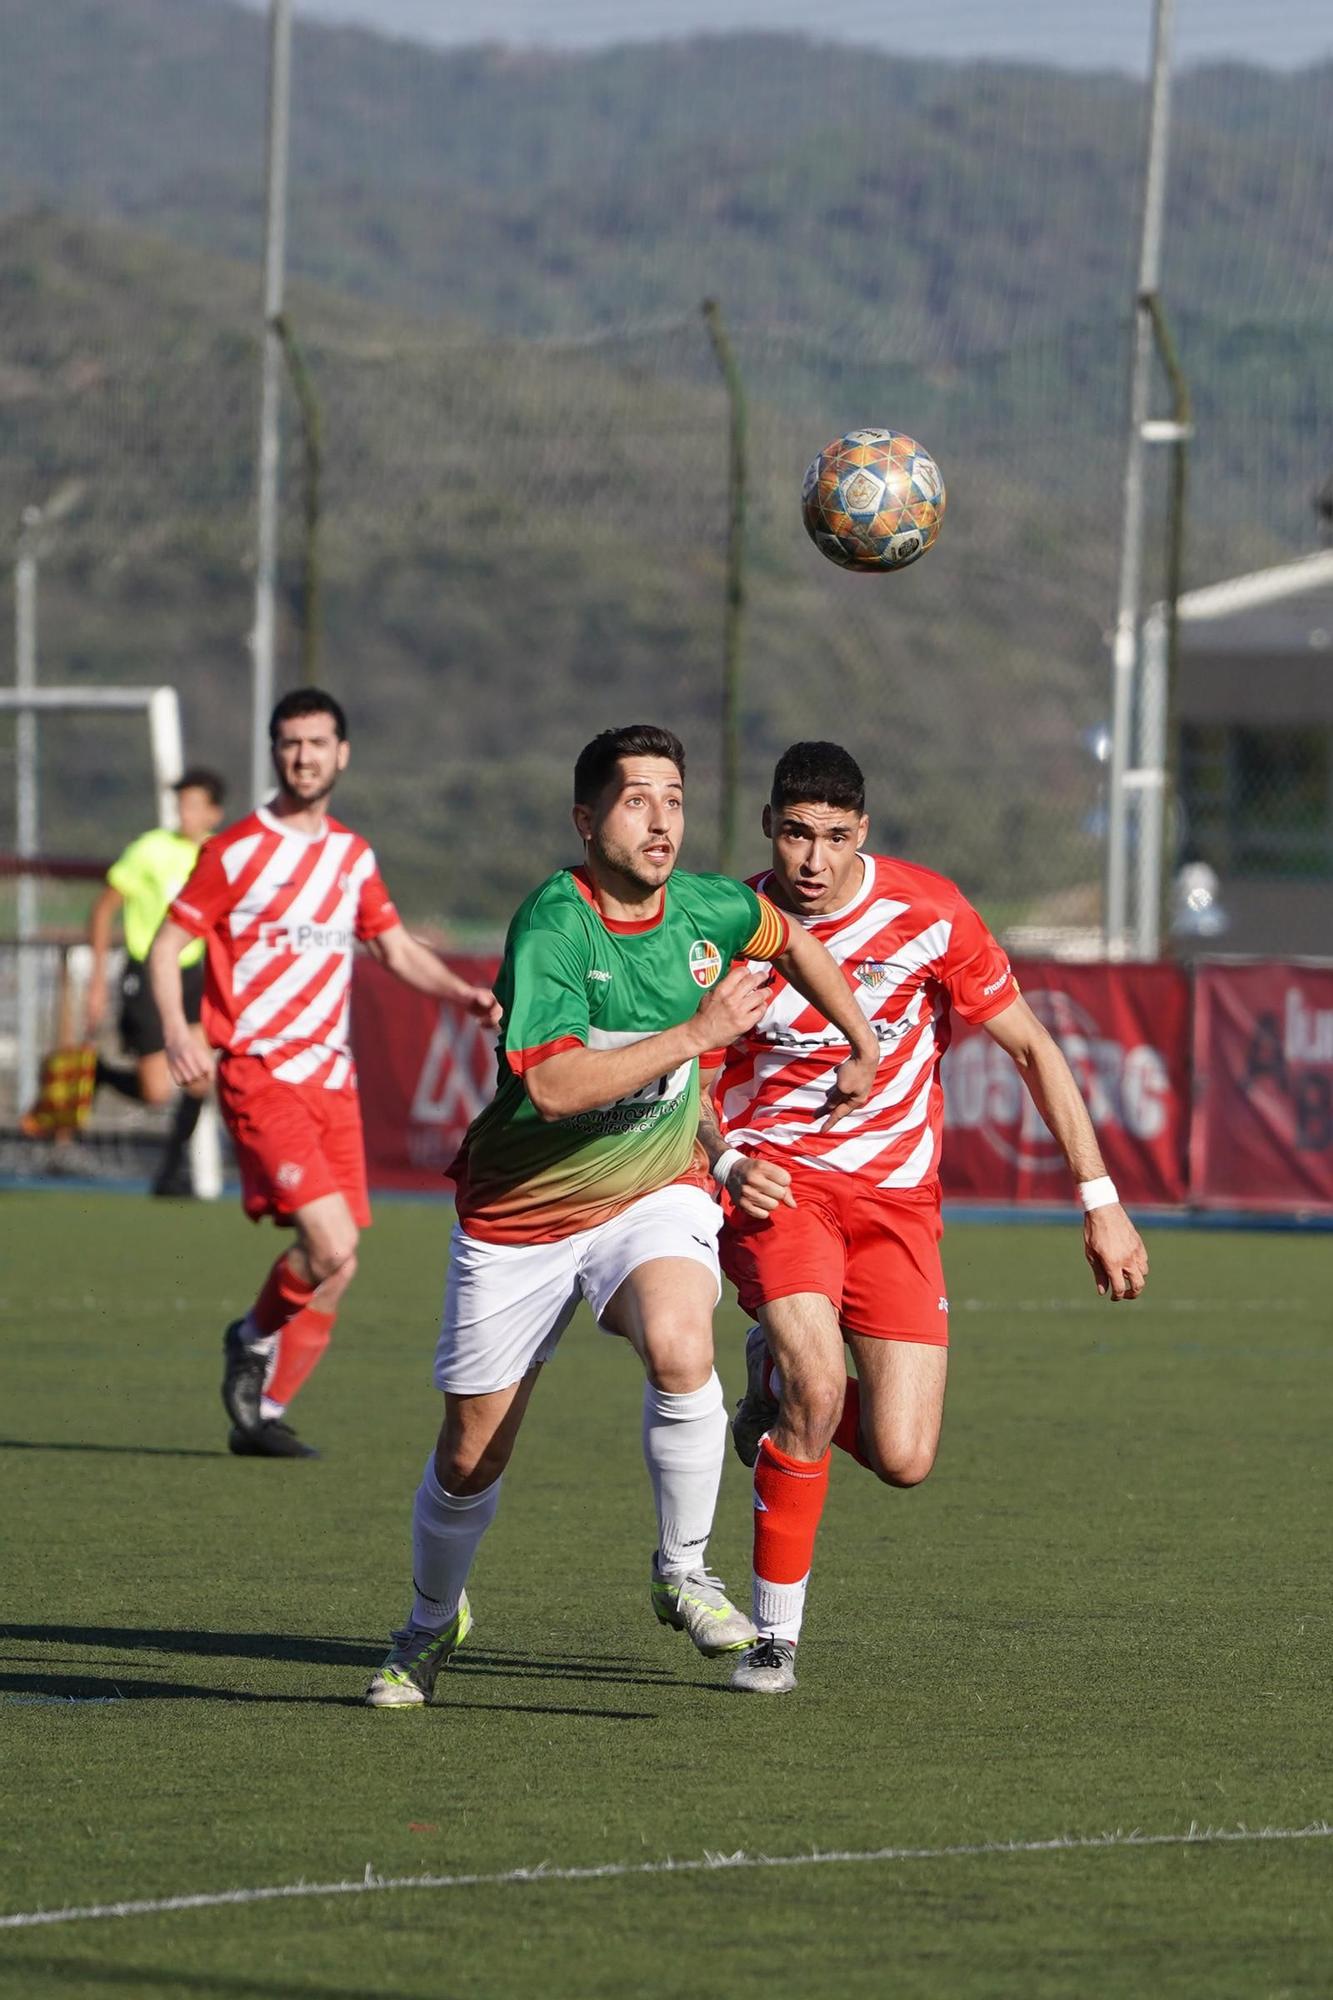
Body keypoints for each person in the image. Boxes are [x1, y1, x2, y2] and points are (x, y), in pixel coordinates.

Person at [365, 723, 881, 1707]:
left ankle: (683, 1569)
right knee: (473, 1452)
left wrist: (857, 1036)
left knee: (684, 1345)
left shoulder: (711, 905)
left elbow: (796, 942)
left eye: (676, 798)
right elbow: (555, 1086)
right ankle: (431, 1622)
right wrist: (696, 1032)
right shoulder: (552, 924)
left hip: (654, 1191)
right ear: (585, 818)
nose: (662, 820)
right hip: (523, 1213)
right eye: (637, 799)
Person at [698, 741, 1150, 1695]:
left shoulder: (929, 911)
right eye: (792, 834)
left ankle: (774, 1393)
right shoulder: (728, 926)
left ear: (860, 831)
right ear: (768, 828)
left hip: (898, 1207)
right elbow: (685, 1076)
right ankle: (773, 1638)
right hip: (781, 1193)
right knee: (820, 1388)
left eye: (830, 837)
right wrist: (729, 1159)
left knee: (903, 1457)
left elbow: (1029, 1048)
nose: (810, 860)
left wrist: (1099, 1200)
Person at [148, 689, 500, 1460]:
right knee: (330, 1243)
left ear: (341, 754)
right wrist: (179, 1032)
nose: (302, 756)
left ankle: (261, 1413)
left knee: (338, 1269)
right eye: (289, 743)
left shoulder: (351, 856)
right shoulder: (236, 850)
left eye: (316, 742)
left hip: (331, 1083)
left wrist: (465, 992)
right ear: (275, 754)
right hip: (259, 1073)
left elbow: (396, 948)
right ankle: (248, 1338)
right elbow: (164, 944)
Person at [85, 768, 227, 1196]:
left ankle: (171, 1170)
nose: (186, 813)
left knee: (201, 1077)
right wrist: (95, 979)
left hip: (191, 974)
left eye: (195, 805)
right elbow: (103, 909)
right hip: (147, 973)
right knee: (156, 1093)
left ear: (214, 813)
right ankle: (102, 1075)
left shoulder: (217, 854)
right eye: (181, 804)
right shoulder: (149, 850)